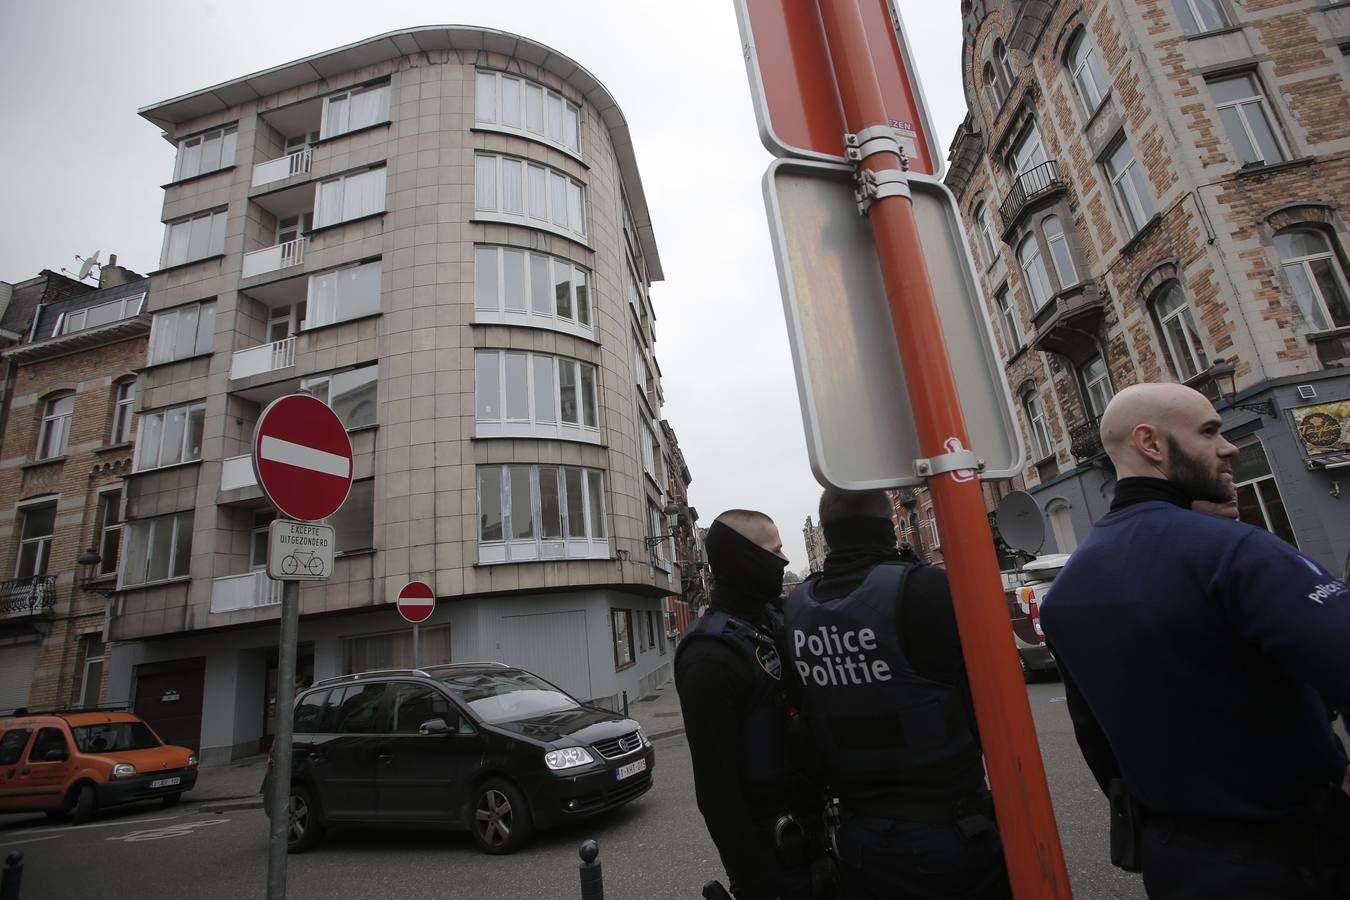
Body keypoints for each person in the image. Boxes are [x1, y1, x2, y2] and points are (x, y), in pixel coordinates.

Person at [1039, 382, 1350, 899]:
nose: (1227, 447)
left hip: (1177, 861)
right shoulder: (1237, 551)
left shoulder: (1067, 590)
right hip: (1297, 854)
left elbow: (1097, 741)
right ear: (1151, 444)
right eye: (1210, 431)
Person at [782, 488, 1012, 900]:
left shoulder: (797, 608)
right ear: (886, 526)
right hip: (949, 828)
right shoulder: (926, 588)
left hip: (858, 836)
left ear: (828, 537)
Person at [675, 510, 822, 900]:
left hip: (816, 841)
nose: (785, 560)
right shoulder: (709, 655)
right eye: (776, 551)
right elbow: (716, 791)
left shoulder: (772, 620)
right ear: (748, 559)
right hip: (775, 857)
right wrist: (757, 881)